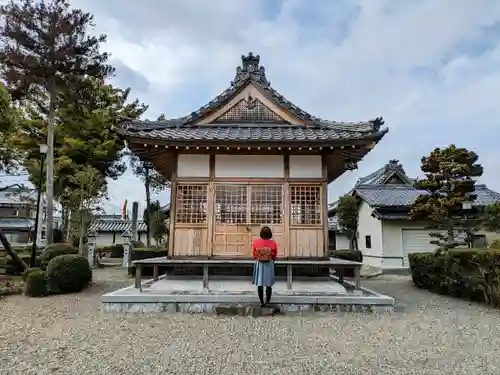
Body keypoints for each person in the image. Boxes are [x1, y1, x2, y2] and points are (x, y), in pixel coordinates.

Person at [252, 225, 278, 307]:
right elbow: (274, 254)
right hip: (269, 263)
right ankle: (267, 301)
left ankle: (262, 302)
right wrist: (272, 260)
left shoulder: (256, 242)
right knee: (268, 284)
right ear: (270, 233)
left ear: (261, 233)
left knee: (260, 283)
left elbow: (254, 253)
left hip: (259, 263)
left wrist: (257, 258)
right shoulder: (273, 243)